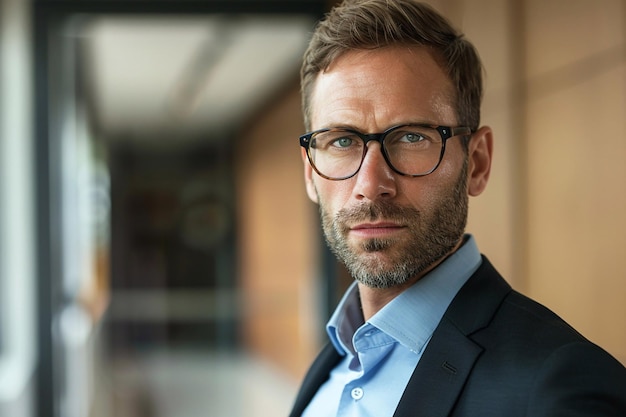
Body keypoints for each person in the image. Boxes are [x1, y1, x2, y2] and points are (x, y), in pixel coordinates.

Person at [289, 0, 626, 416]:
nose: (371, 185)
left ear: (477, 163)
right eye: (342, 141)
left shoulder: (560, 388)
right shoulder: (328, 368)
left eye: (411, 137)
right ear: (310, 172)